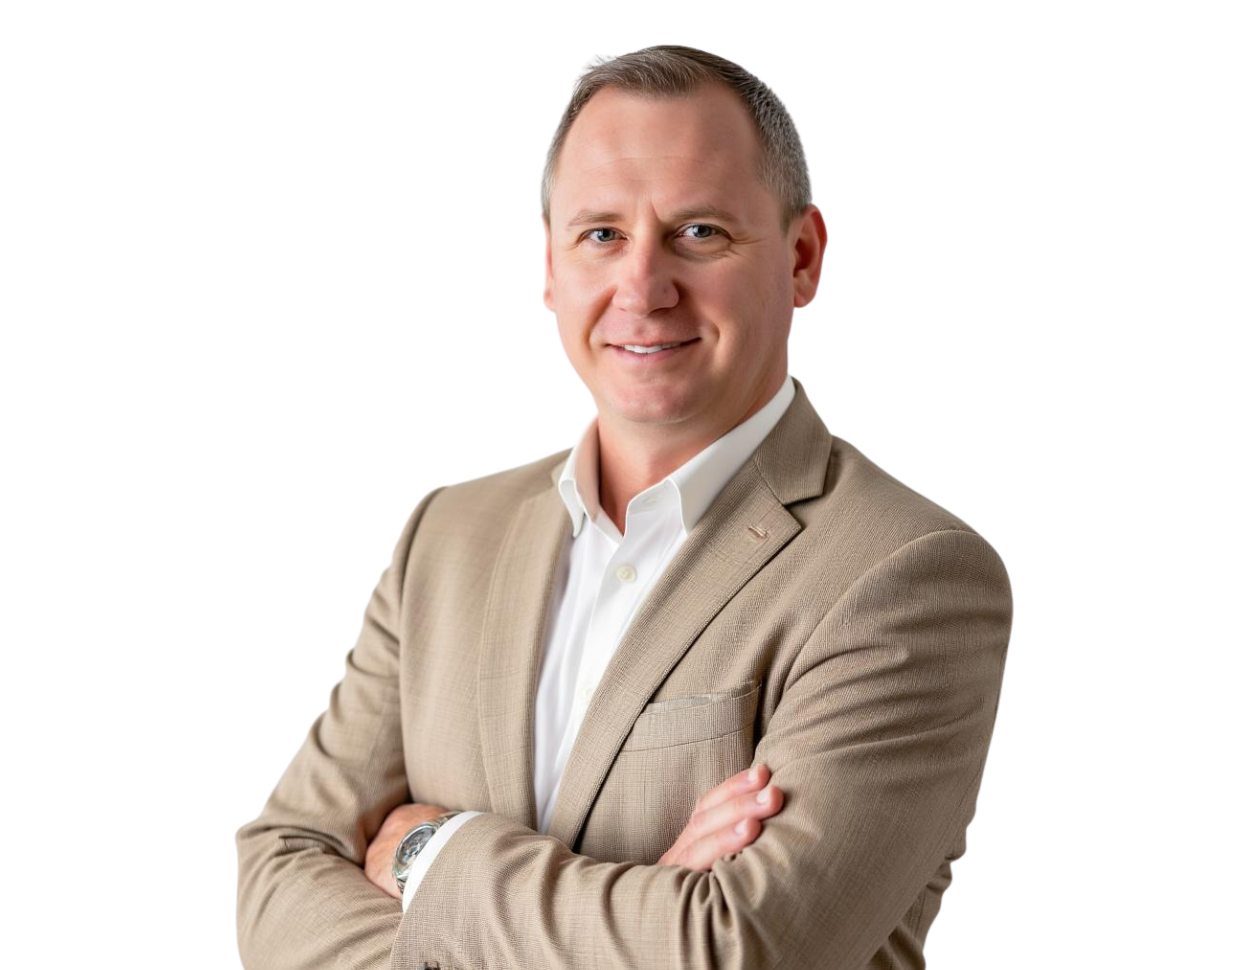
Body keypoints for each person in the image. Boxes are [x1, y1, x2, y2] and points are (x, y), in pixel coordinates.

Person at [235, 43, 1014, 970]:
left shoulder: (909, 572)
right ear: (549, 273)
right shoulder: (446, 534)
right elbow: (275, 878)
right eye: (601, 235)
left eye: (699, 233)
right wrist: (647, 904)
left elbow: (737, 951)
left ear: (803, 259)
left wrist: (426, 850)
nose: (642, 289)